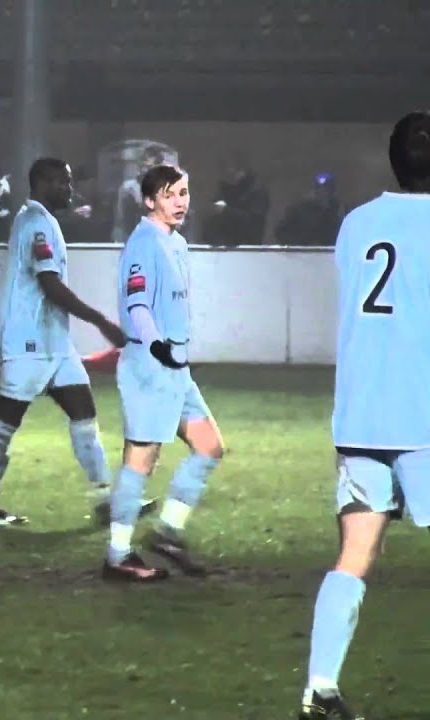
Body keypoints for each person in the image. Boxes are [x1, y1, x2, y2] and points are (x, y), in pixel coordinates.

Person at [296, 111, 430, 720]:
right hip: (422, 414)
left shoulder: (355, 224)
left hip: (361, 416)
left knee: (355, 553)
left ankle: (320, 686)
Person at [0, 158, 143, 529]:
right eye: (64, 182)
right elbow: (49, 285)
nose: (70, 188)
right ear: (44, 182)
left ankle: (105, 502)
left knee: (85, 415)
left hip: (56, 343)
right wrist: (100, 320)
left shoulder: (44, 222)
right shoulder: (35, 224)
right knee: (5, 423)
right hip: (28, 342)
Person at [103, 164, 225, 582]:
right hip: (150, 365)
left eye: (185, 192)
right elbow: (137, 304)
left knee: (208, 446)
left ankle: (168, 532)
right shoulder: (143, 244)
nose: (180, 201)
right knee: (140, 461)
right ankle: (118, 556)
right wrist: (156, 343)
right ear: (150, 200)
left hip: (175, 368)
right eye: (171, 194)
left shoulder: (176, 243)